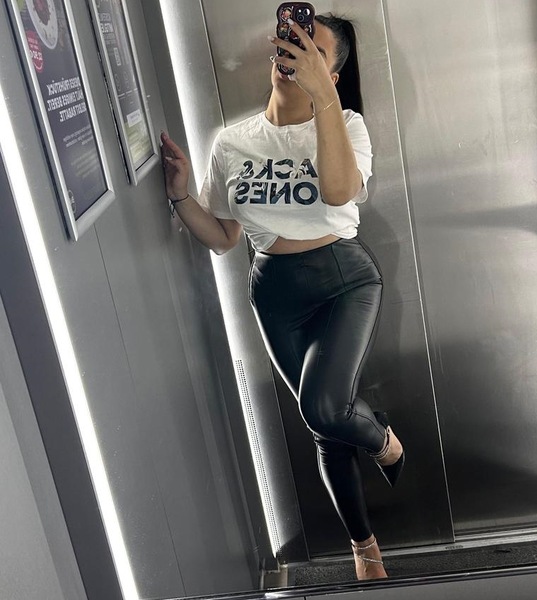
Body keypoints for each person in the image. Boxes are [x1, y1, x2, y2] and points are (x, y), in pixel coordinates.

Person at [160, 12, 404, 581]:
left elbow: (340, 191)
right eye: (293, 40)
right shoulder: (232, 142)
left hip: (344, 280)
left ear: (332, 74)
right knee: (324, 428)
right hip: (273, 291)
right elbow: (224, 238)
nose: (296, 53)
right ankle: (365, 548)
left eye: (313, 50)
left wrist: (323, 102)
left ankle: (384, 441)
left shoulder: (347, 124)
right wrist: (181, 197)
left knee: (324, 408)